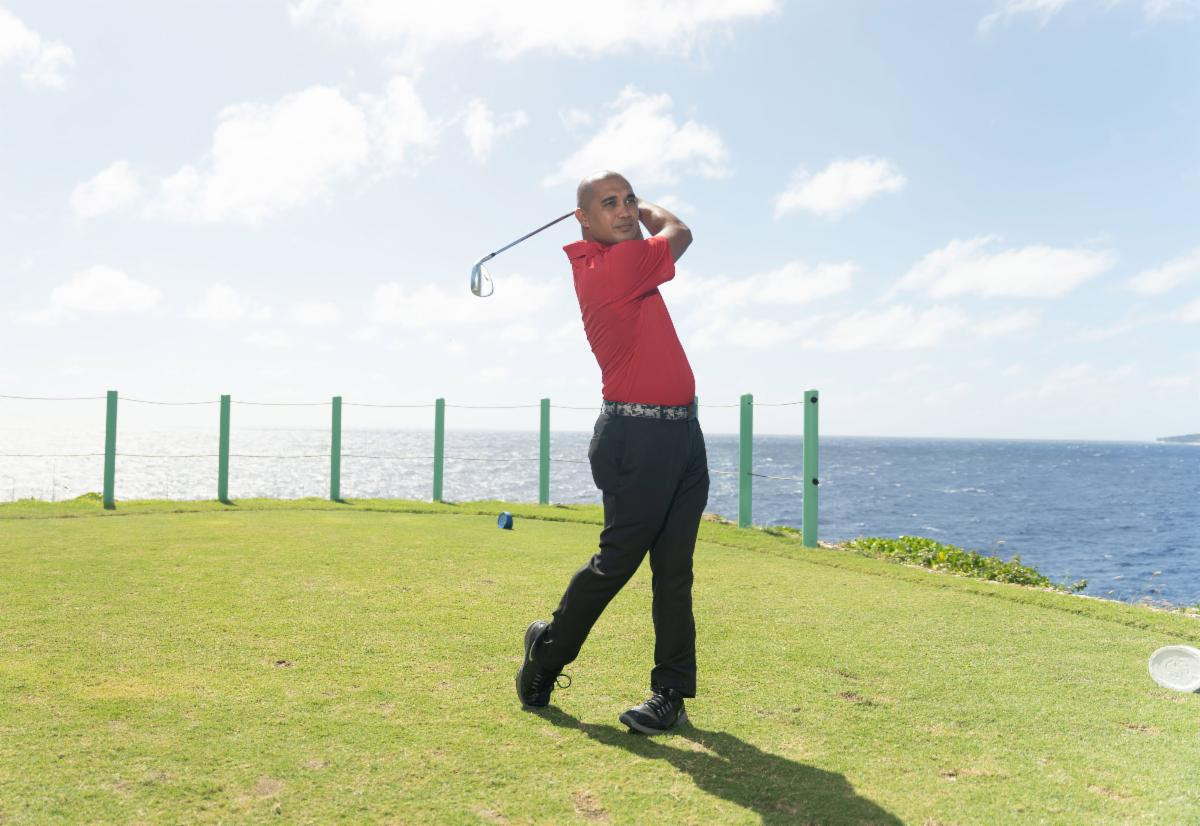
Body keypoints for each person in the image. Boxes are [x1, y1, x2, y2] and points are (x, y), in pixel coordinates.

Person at [515, 170, 710, 735]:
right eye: (610, 204)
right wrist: (650, 208)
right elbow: (682, 231)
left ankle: (670, 694)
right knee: (616, 564)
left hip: (682, 435)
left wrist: (628, 210)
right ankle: (547, 653)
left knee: (675, 573)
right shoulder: (616, 266)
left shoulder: (620, 258)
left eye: (628, 200)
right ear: (584, 219)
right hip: (636, 440)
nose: (624, 211)